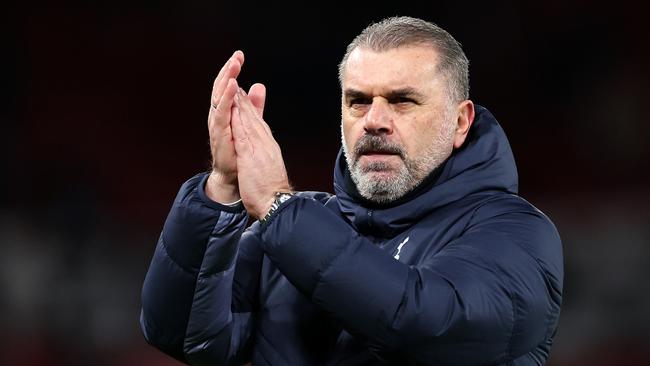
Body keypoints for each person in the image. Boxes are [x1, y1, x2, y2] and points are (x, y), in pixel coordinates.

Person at [140, 16, 563, 365]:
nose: (374, 120)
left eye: (402, 101)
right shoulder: (289, 229)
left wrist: (278, 209)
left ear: (460, 122)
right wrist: (223, 186)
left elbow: (424, 324)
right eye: (358, 101)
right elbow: (182, 335)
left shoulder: (516, 234)